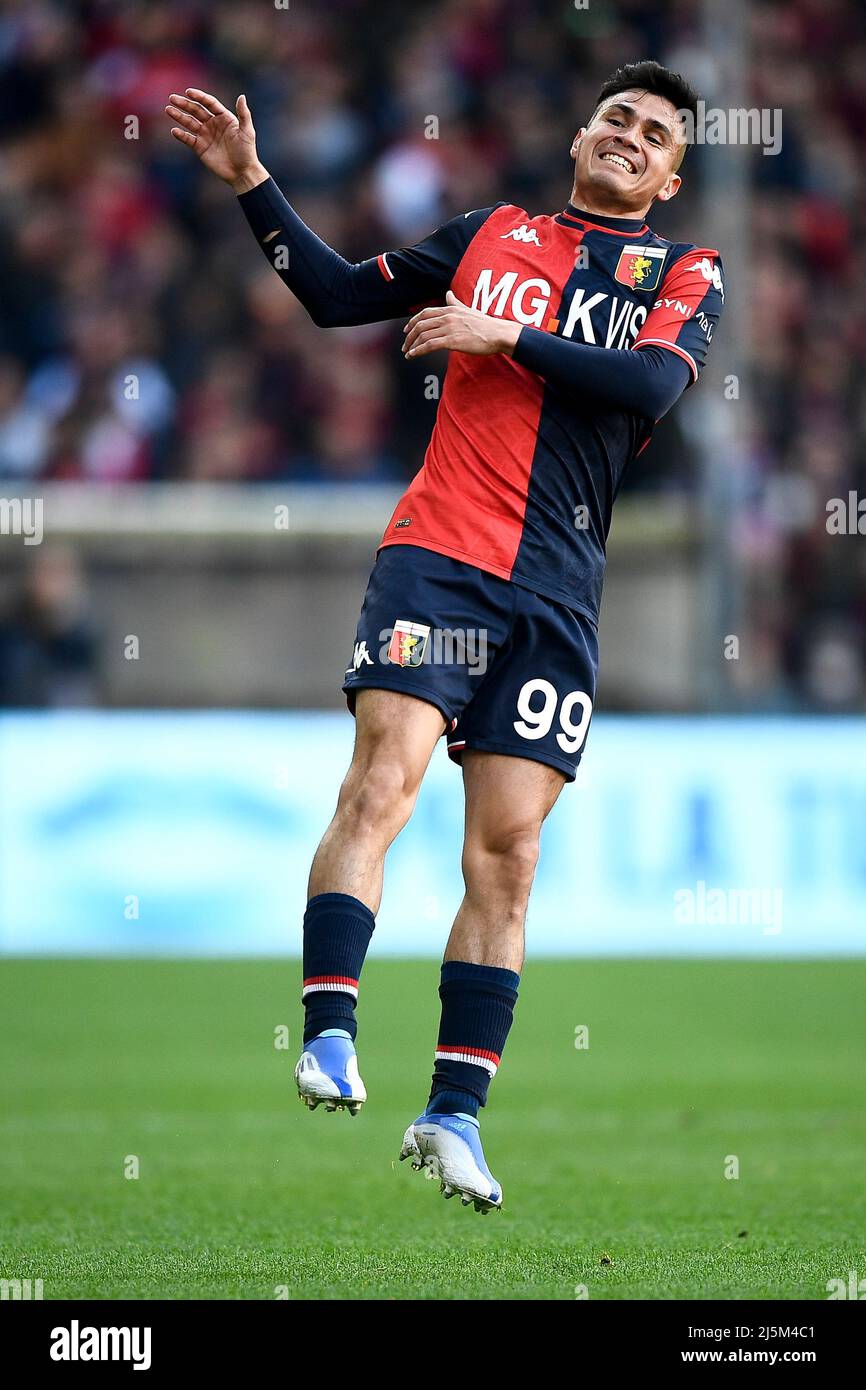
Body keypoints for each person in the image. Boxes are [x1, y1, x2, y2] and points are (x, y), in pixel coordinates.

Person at [165, 60, 725, 1212]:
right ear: (579, 137)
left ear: (667, 177)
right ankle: (327, 1027)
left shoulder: (684, 272)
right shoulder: (487, 235)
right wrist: (254, 183)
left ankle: (451, 1115)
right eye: (615, 117)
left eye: (654, 134)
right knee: (386, 779)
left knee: (507, 859)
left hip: (559, 598)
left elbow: (648, 389)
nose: (629, 135)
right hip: (442, 558)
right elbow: (331, 296)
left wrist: (499, 339)